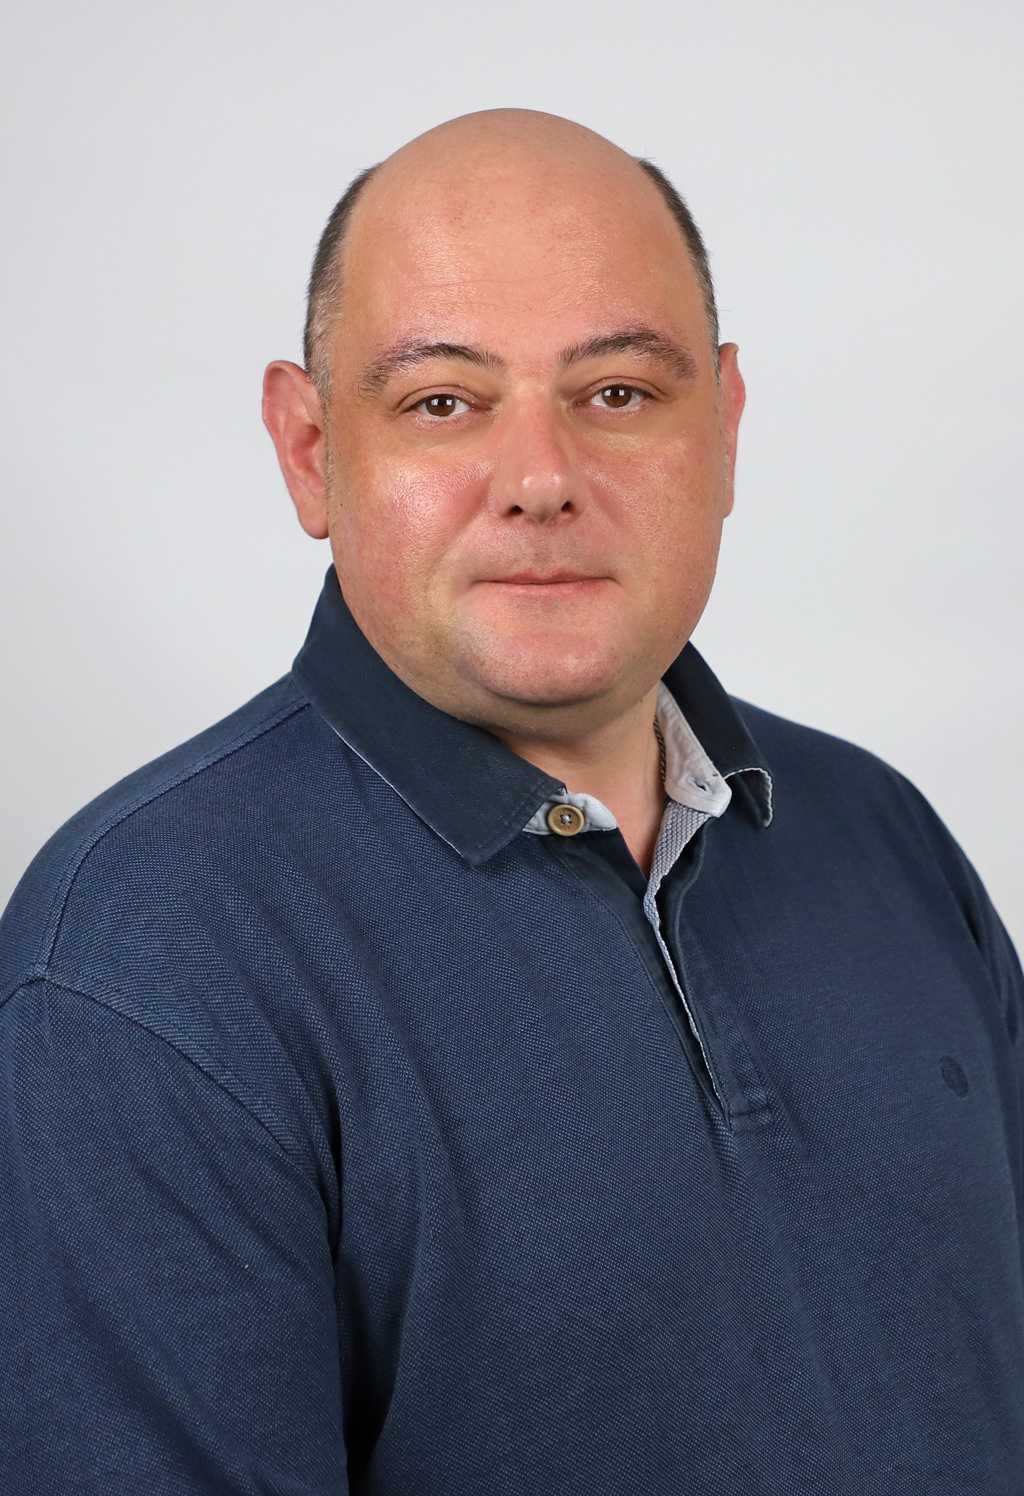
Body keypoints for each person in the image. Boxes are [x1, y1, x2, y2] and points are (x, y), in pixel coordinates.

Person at [1, 108, 1021, 1495]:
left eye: (619, 393)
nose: (542, 481)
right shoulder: (141, 963)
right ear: (309, 450)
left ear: (724, 429)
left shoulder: (881, 835)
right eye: (443, 402)